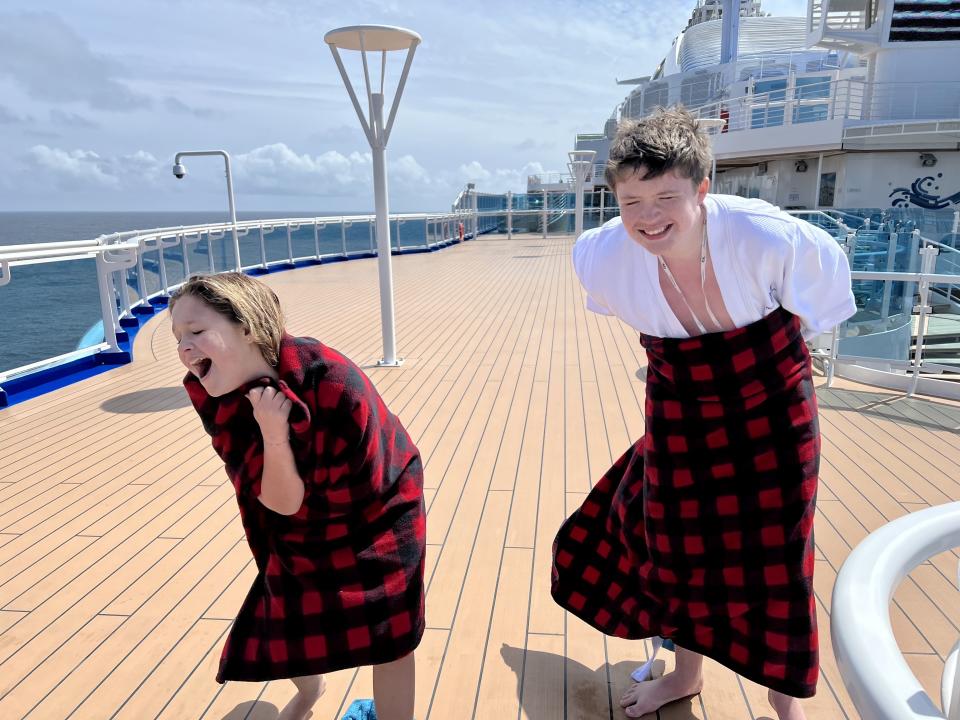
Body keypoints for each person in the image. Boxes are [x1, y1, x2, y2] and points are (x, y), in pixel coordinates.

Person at [550, 106, 856, 720]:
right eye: (631, 201)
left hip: (774, 406)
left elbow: (824, 311)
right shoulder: (602, 256)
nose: (647, 217)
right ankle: (685, 674)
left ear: (703, 189)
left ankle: (785, 700)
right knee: (674, 544)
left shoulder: (772, 238)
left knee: (779, 555)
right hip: (681, 405)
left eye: (666, 196)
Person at [170, 272, 425, 720]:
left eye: (196, 332)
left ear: (246, 327)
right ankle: (310, 694)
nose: (184, 348)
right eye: (178, 337)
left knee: (391, 640)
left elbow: (359, 479)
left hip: (378, 513)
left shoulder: (332, 380)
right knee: (283, 619)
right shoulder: (212, 395)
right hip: (294, 517)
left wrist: (274, 436)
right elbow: (280, 502)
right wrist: (273, 433)